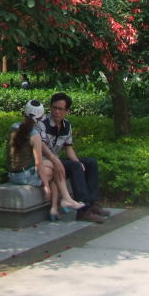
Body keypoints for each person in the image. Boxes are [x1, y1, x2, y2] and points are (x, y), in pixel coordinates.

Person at [7, 99, 84, 221]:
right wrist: (46, 185)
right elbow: (38, 163)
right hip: (24, 177)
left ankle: (55, 207)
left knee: (52, 164)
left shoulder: (14, 127)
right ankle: (64, 200)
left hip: (13, 174)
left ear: (24, 113)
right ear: (41, 116)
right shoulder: (34, 134)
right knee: (55, 168)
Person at [40, 92, 109, 223]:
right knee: (76, 167)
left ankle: (92, 203)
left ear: (67, 111)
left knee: (90, 162)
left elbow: (69, 148)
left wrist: (77, 161)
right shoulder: (43, 124)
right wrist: (72, 163)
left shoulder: (67, 126)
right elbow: (41, 147)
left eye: (60, 109)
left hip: (57, 160)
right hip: (47, 162)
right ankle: (83, 211)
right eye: (54, 107)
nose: (56, 112)